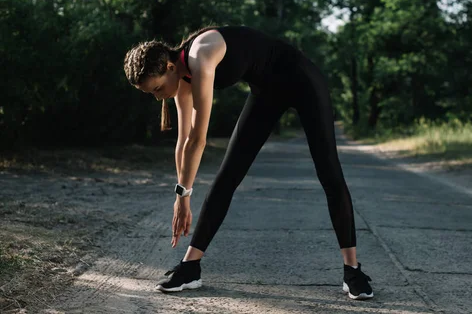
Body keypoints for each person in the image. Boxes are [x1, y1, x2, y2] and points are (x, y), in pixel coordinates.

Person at [123, 25, 374, 300]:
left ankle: (353, 271)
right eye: (151, 94)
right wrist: (181, 195)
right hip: (266, 92)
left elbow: (199, 140)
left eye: (157, 89)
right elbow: (183, 141)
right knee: (227, 175)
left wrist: (185, 193)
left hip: (303, 80)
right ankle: (190, 267)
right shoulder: (181, 78)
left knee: (329, 173)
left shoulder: (200, 57)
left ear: (169, 66)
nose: (158, 97)